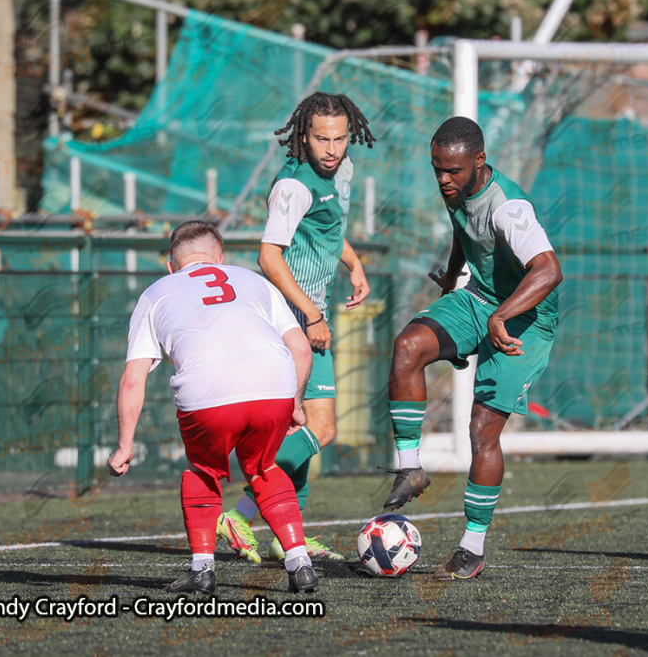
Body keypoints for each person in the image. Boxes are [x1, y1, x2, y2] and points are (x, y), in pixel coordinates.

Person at [383, 116, 563, 581]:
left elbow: (547, 270)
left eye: (452, 171)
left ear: (479, 161)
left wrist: (501, 317)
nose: (443, 179)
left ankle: (472, 547)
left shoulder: (509, 206)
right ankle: (409, 469)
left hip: (526, 316)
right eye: (436, 168)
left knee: (483, 429)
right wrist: (449, 277)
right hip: (479, 298)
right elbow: (466, 235)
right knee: (408, 346)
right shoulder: (455, 188)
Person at [107, 221, 317, 594]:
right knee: (264, 468)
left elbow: (132, 379)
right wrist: (296, 404)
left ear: (171, 266)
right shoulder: (254, 281)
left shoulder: (156, 293)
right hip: (274, 387)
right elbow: (300, 347)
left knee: (203, 471)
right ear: (220, 259)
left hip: (207, 396)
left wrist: (125, 444)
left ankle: (203, 570)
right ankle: (299, 563)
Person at [217, 92, 374, 563]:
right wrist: (311, 313)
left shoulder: (342, 171)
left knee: (298, 432)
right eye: (321, 139)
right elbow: (269, 256)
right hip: (289, 319)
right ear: (303, 137)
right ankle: (240, 515)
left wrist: (354, 262)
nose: (331, 149)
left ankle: (294, 538)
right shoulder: (292, 186)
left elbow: (327, 229)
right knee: (322, 430)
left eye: (340, 138)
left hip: (308, 312)